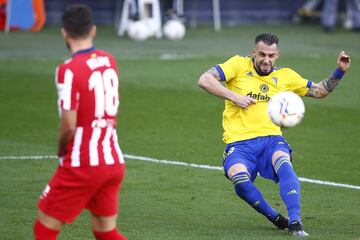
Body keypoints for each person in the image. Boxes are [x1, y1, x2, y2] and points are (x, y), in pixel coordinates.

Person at [197, 33, 351, 237]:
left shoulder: (286, 76)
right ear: (254, 52)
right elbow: (205, 79)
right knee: (239, 180)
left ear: (277, 55)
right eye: (261, 54)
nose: (266, 60)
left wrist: (339, 71)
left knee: (284, 164)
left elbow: (320, 91)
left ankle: (296, 221)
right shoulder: (238, 65)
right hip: (239, 144)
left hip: (271, 140)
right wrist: (235, 97)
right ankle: (276, 218)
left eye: (271, 55)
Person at [33, 4, 127, 240]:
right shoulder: (109, 60)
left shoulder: (68, 69)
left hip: (82, 163)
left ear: (64, 32)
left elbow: (69, 125)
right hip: (113, 159)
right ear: (93, 30)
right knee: (106, 232)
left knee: (43, 229)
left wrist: (60, 151)